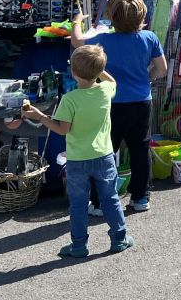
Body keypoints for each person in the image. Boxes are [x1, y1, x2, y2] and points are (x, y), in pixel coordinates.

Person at [21, 45, 134, 258]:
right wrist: (97, 67)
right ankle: (119, 238)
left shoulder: (70, 99)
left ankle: (79, 245)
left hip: (77, 160)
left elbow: (63, 129)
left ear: (73, 72)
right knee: (110, 198)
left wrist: (40, 116)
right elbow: (112, 81)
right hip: (104, 156)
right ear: (100, 70)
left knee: (79, 204)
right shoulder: (104, 91)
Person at [72, 0, 166, 213]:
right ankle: (140, 198)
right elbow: (161, 69)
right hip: (142, 101)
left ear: (111, 17)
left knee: (105, 152)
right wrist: (146, 78)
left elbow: (77, 42)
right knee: (140, 150)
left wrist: (77, 21)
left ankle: (100, 202)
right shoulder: (150, 38)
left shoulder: (103, 39)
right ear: (142, 16)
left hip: (109, 102)